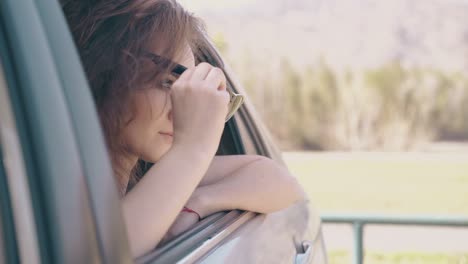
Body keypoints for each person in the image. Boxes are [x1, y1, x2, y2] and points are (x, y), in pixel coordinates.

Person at [62, 0, 306, 258]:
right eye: (167, 82)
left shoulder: (148, 173)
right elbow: (102, 255)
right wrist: (191, 147)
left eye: (188, 92)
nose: (181, 110)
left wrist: (199, 202)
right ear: (101, 72)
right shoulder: (57, 187)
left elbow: (283, 183)